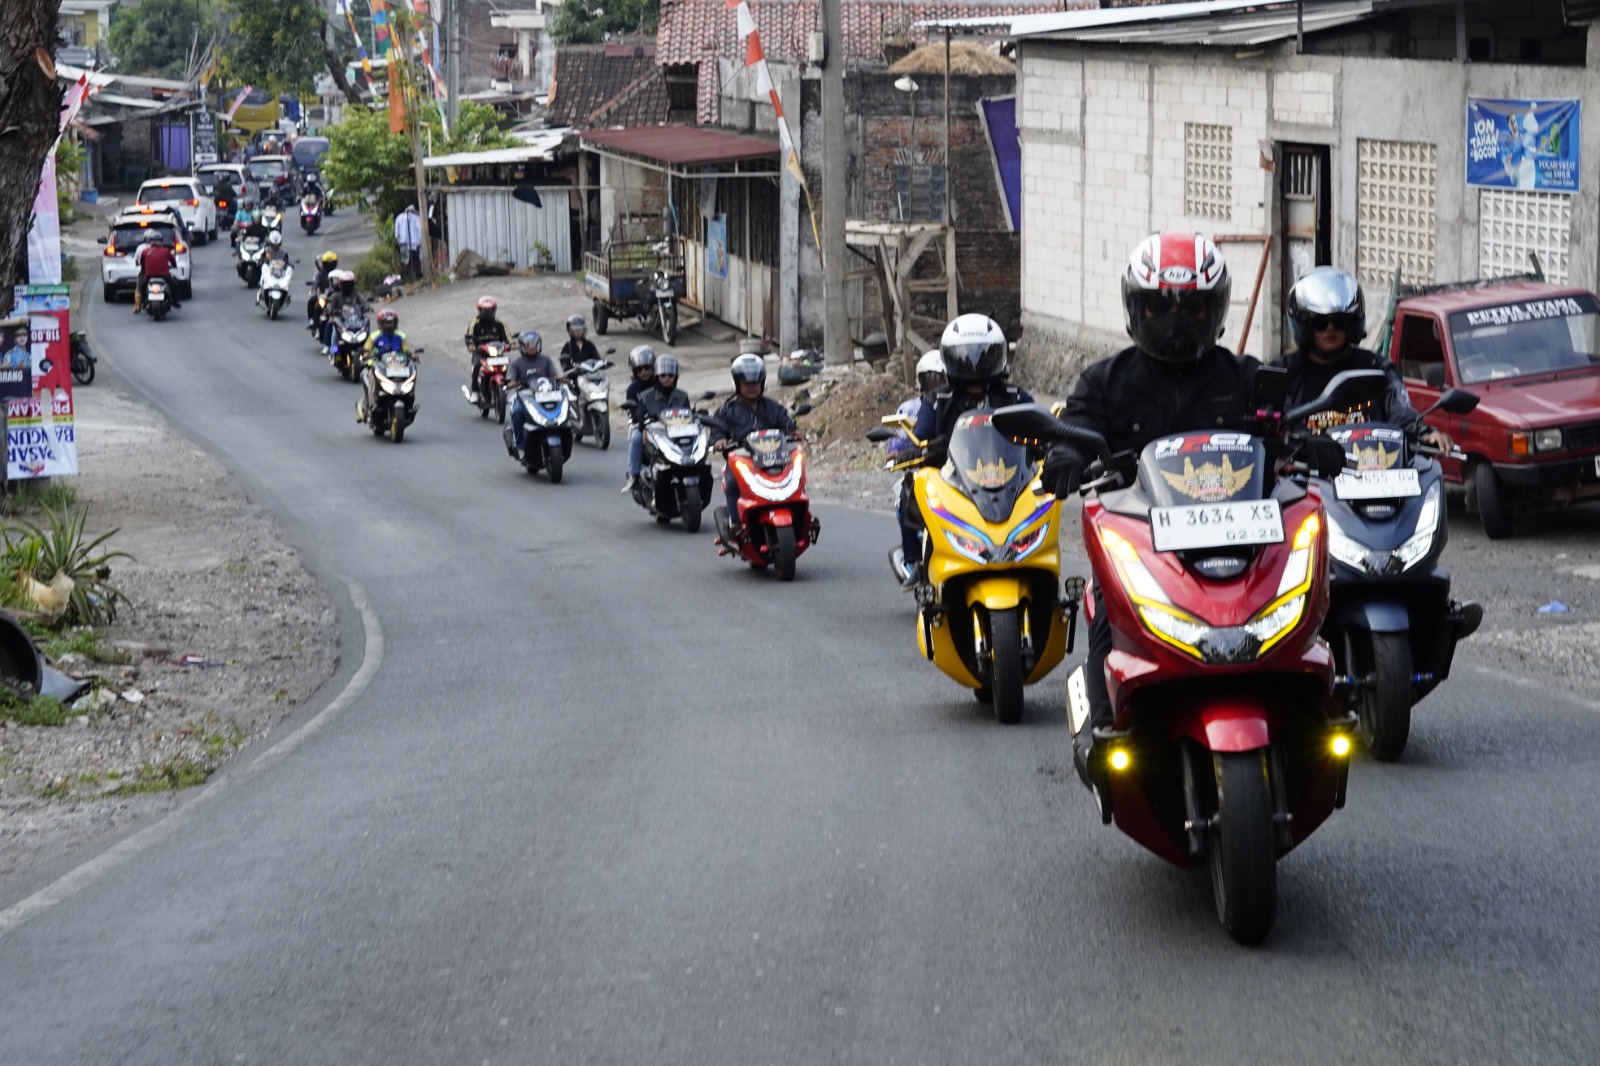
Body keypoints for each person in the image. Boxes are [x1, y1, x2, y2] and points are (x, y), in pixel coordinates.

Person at [1043, 231, 1260, 784]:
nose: (1176, 321)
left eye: (1192, 308)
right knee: (1104, 629)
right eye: (1160, 306)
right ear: (1135, 308)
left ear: (1217, 311)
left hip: (1241, 542)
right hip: (1142, 545)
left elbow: (1288, 418)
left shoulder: (1244, 377)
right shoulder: (1103, 381)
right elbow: (1077, 428)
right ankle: (1099, 728)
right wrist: (1067, 453)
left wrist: (1317, 437)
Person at [897, 315, 1033, 586]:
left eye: (982, 354)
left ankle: (1035, 570)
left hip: (1010, 475)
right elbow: (920, 437)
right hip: (953, 476)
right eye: (965, 356)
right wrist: (919, 450)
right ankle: (917, 561)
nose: (974, 363)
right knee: (907, 492)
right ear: (950, 358)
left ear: (999, 356)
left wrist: (1049, 440)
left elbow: (1040, 424)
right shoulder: (938, 400)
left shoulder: (1015, 396)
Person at [1275, 266, 1450, 449]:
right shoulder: (1284, 374)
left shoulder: (1377, 370)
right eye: (1320, 322)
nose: (1330, 328)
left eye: (1339, 320)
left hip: (1368, 467)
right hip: (1302, 471)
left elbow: (1401, 411)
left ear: (1351, 322)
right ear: (1304, 325)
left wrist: (1424, 432)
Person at [712, 353, 797, 527]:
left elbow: (786, 421)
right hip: (743, 458)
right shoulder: (727, 410)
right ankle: (735, 523)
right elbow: (717, 429)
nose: (752, 387)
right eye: (747, 384)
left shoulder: (772, 407)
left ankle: (800, 516)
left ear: (762, 383)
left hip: (775, 457)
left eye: (755, 383)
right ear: (738, 385)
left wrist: (794, 430)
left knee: (795, 476)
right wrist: (720, 440)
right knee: (732, 483)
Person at [886, 350, 946, 586]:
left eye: (940, 377)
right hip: (926, 469)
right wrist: (898, 452)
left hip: (960, 468)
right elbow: (901, 439)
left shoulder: (958, 401)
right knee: (905, 498)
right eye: (930, 378)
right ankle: (916, 561)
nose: (936, 384)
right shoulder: (912, 408)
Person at [623, 354, 690, 492]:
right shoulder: (646, 395)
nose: (667, 378)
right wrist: (643, 426)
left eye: (670, 375)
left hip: (676, 431)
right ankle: (633, 475)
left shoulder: (682, 395)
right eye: (663, 375)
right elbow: (639, 414)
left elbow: (689, 413)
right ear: (658, 376)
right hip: (654, 430)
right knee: (636, 437)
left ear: (675, 377)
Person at [505, 330, 563, 454]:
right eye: (529, 344)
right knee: (517, 412)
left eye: (535, 344)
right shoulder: (516, 363)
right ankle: (519, 445)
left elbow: (555, 375)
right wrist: (513, 383)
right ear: (522, 346)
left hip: (546, 394)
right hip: (524, 395)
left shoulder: (546, 360)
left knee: (562, 407)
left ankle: (564, 433)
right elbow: (511, 380)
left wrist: (562, 378)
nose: (532, 347)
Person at [357, 308, 412, 423]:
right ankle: (372, 405)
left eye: (390, 322)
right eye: (386, 323)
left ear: (395, 323)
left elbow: (406, 351)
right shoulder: (374, 336)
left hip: (397, 366)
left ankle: (409, 399)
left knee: (411, 374)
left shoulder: (401, 336)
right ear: (380, 324)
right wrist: (367, 355)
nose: (388, 325)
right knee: (372, 379)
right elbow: (366, 350)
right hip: (378, 366)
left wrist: (412, 356)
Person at [464, 295, 511, 403]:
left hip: (497, 352)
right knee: (476, 366)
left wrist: (512, 344)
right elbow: (469, 336)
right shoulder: (475, 323)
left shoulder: (499, 323)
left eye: (490, 310)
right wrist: (471, 345)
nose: (487, 313)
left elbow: (508, 336)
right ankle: (475, 392)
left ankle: (505, 391)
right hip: (480, 352)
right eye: (484, 310)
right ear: (479, 310)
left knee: (508, 367)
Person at [131, 231, 177, 314]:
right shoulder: (165, 250)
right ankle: (175, 301)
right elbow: (173, 261)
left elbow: (142, 263)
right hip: (164, 275)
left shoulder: (145, 251)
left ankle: (143, 303)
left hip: (149, 275)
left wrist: (145, 268)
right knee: (174, 285)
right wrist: (174, 266)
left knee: (142, 287)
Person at [321, 270, 367, 353]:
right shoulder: (335, 295)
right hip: (340, 319)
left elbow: (363, 302)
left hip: (356, 319)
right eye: (345, 284)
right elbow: (330, 304)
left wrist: (367, 307)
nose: (347, 286)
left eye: (349, 284)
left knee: (366, 324)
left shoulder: (357, 294)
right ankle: (331, 348)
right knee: (332, 326)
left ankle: (368, 348)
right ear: (341, 284)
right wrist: (329, 310)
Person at [307, 251, 339, 332]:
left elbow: (344, 282)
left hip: (336, 295)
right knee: (313, 302)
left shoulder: (338, 274)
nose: (330, 266)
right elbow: (315, 284)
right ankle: (313, 323)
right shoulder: (320, 274)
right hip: (324, 295)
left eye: (332, 263)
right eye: (328, 264)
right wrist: (314, 290)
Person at [394, 205, 423, 279]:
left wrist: (398, 240)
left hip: (403, 242)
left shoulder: (399, 218)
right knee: (414, 258)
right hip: (414, 243)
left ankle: (406, 275)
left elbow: (396, 232)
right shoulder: (416, 218)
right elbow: (420, 231)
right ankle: (415, 274)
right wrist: (420, 241)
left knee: (405, 259)